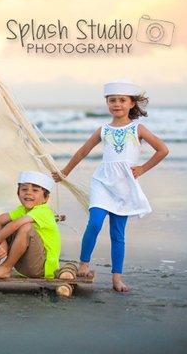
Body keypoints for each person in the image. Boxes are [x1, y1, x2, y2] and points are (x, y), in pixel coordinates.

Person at [53, 79, 168, 292]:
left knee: (117, 233)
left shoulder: (137, 128)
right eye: (112, 100)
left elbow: (162, 149)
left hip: (124, 185)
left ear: (132, 103)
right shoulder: (103, 129)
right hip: (102, 182)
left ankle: (117, 278)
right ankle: (84, 264)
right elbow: (82, 152)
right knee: (95, 223)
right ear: (107, 103)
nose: (117, 104)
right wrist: (64, 173)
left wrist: (142, 169)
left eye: (122, 100)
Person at [0, 171, 61, 279]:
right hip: (23, 266)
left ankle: (6, 268)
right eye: (24, 189)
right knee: (4, 226)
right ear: (18, 194)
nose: (28, 193)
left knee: (24, 227)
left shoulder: (43, 211)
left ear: (45, 198)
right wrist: (2, 242)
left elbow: (15, 225)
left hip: (42, 268)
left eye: (35, 190)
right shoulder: (22, 210)